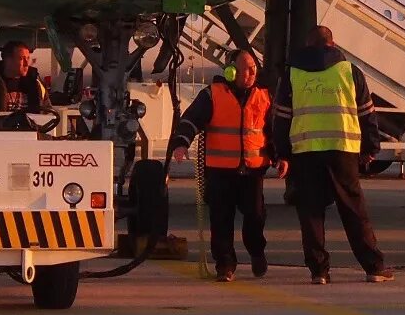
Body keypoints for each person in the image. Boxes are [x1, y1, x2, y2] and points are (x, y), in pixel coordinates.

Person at [279, 26, 392, 284]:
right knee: (353, 210)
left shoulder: (292, 74)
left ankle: (319, 271)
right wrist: (370, 148)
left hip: (306, 151)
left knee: (311, 213)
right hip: (343, 151)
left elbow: (282, 118)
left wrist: (283, 153)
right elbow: (367, 114)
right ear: (333, 43)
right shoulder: (350, 72)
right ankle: (373, 267)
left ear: (308, 45)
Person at [167, 49, 274, 282]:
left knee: (255, 216)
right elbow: (191, 119)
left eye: (254, 67)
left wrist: (282, 157)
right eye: (246, 68)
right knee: (221, 219)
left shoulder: (264, 96)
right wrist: (181, 143)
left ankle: (257, 252)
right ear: (231, 71)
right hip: (220, 171)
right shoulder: (212, 95)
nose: (252, 72)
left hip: (253, 170)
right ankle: (225, 265)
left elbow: (273, 130)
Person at [0, 41, 47, 112]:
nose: (26, 64)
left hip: (30, 125)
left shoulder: (37, 84)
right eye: (21, 58)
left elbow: (48, 114)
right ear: (8, 60)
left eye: (28, 58)